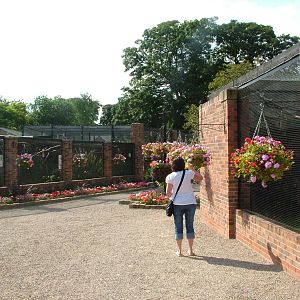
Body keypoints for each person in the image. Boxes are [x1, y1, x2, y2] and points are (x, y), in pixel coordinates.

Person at [165, 157, 203, 257]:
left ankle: (180, 251)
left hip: (177, 204)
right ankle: (190, 250)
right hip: (191, 202)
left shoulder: (170, 176)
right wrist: (192, 168)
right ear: (183, 165)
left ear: (173, 165)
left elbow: (168, 193)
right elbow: (200, 178)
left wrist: (174, 193)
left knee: (178, 226)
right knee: (190, 225)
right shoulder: (189, 173)